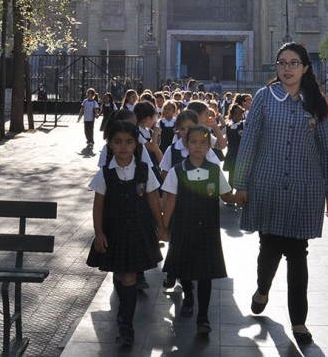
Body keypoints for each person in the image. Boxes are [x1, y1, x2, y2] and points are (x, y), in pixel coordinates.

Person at [232, 42, 328, 346]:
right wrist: (241, 183)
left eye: (294, 63)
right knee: (269, 249)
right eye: (282, 63)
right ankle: (262, 288)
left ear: (305, 67)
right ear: (276, 67)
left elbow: (325, 150)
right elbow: (249, 141)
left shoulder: (314, 102)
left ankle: (299, 321)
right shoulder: (265, 98)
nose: (287, 68)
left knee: (297, 254)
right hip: (267, 186)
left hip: (305, 190)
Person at [88, 119, 167, 346]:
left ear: (135, 145)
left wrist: (161, 226)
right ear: (110, 145)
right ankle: (123, 309)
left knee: (130, 274)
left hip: (137, 230)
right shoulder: (105, 173)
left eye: (129, 142)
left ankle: (127, 326)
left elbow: (153, 199)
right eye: (118, 142)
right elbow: (98, 206)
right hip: (114, 231)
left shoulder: (144, 170)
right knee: (120, 275)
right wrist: (99, 232)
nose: (123, 147)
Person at [161, 124, 238, 334]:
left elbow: (225, 195)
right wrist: (163, 227)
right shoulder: (177, 171)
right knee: (184, 269)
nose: (198, 146)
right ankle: (188, 295)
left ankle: (203, 317)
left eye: (203, 142)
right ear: (186, 144)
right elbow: (170, 201)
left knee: (206, 274)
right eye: (193, 142)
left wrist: (241, 197)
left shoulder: (214, 171)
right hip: (183, 229)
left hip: (207, 232)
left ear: (209, 146)